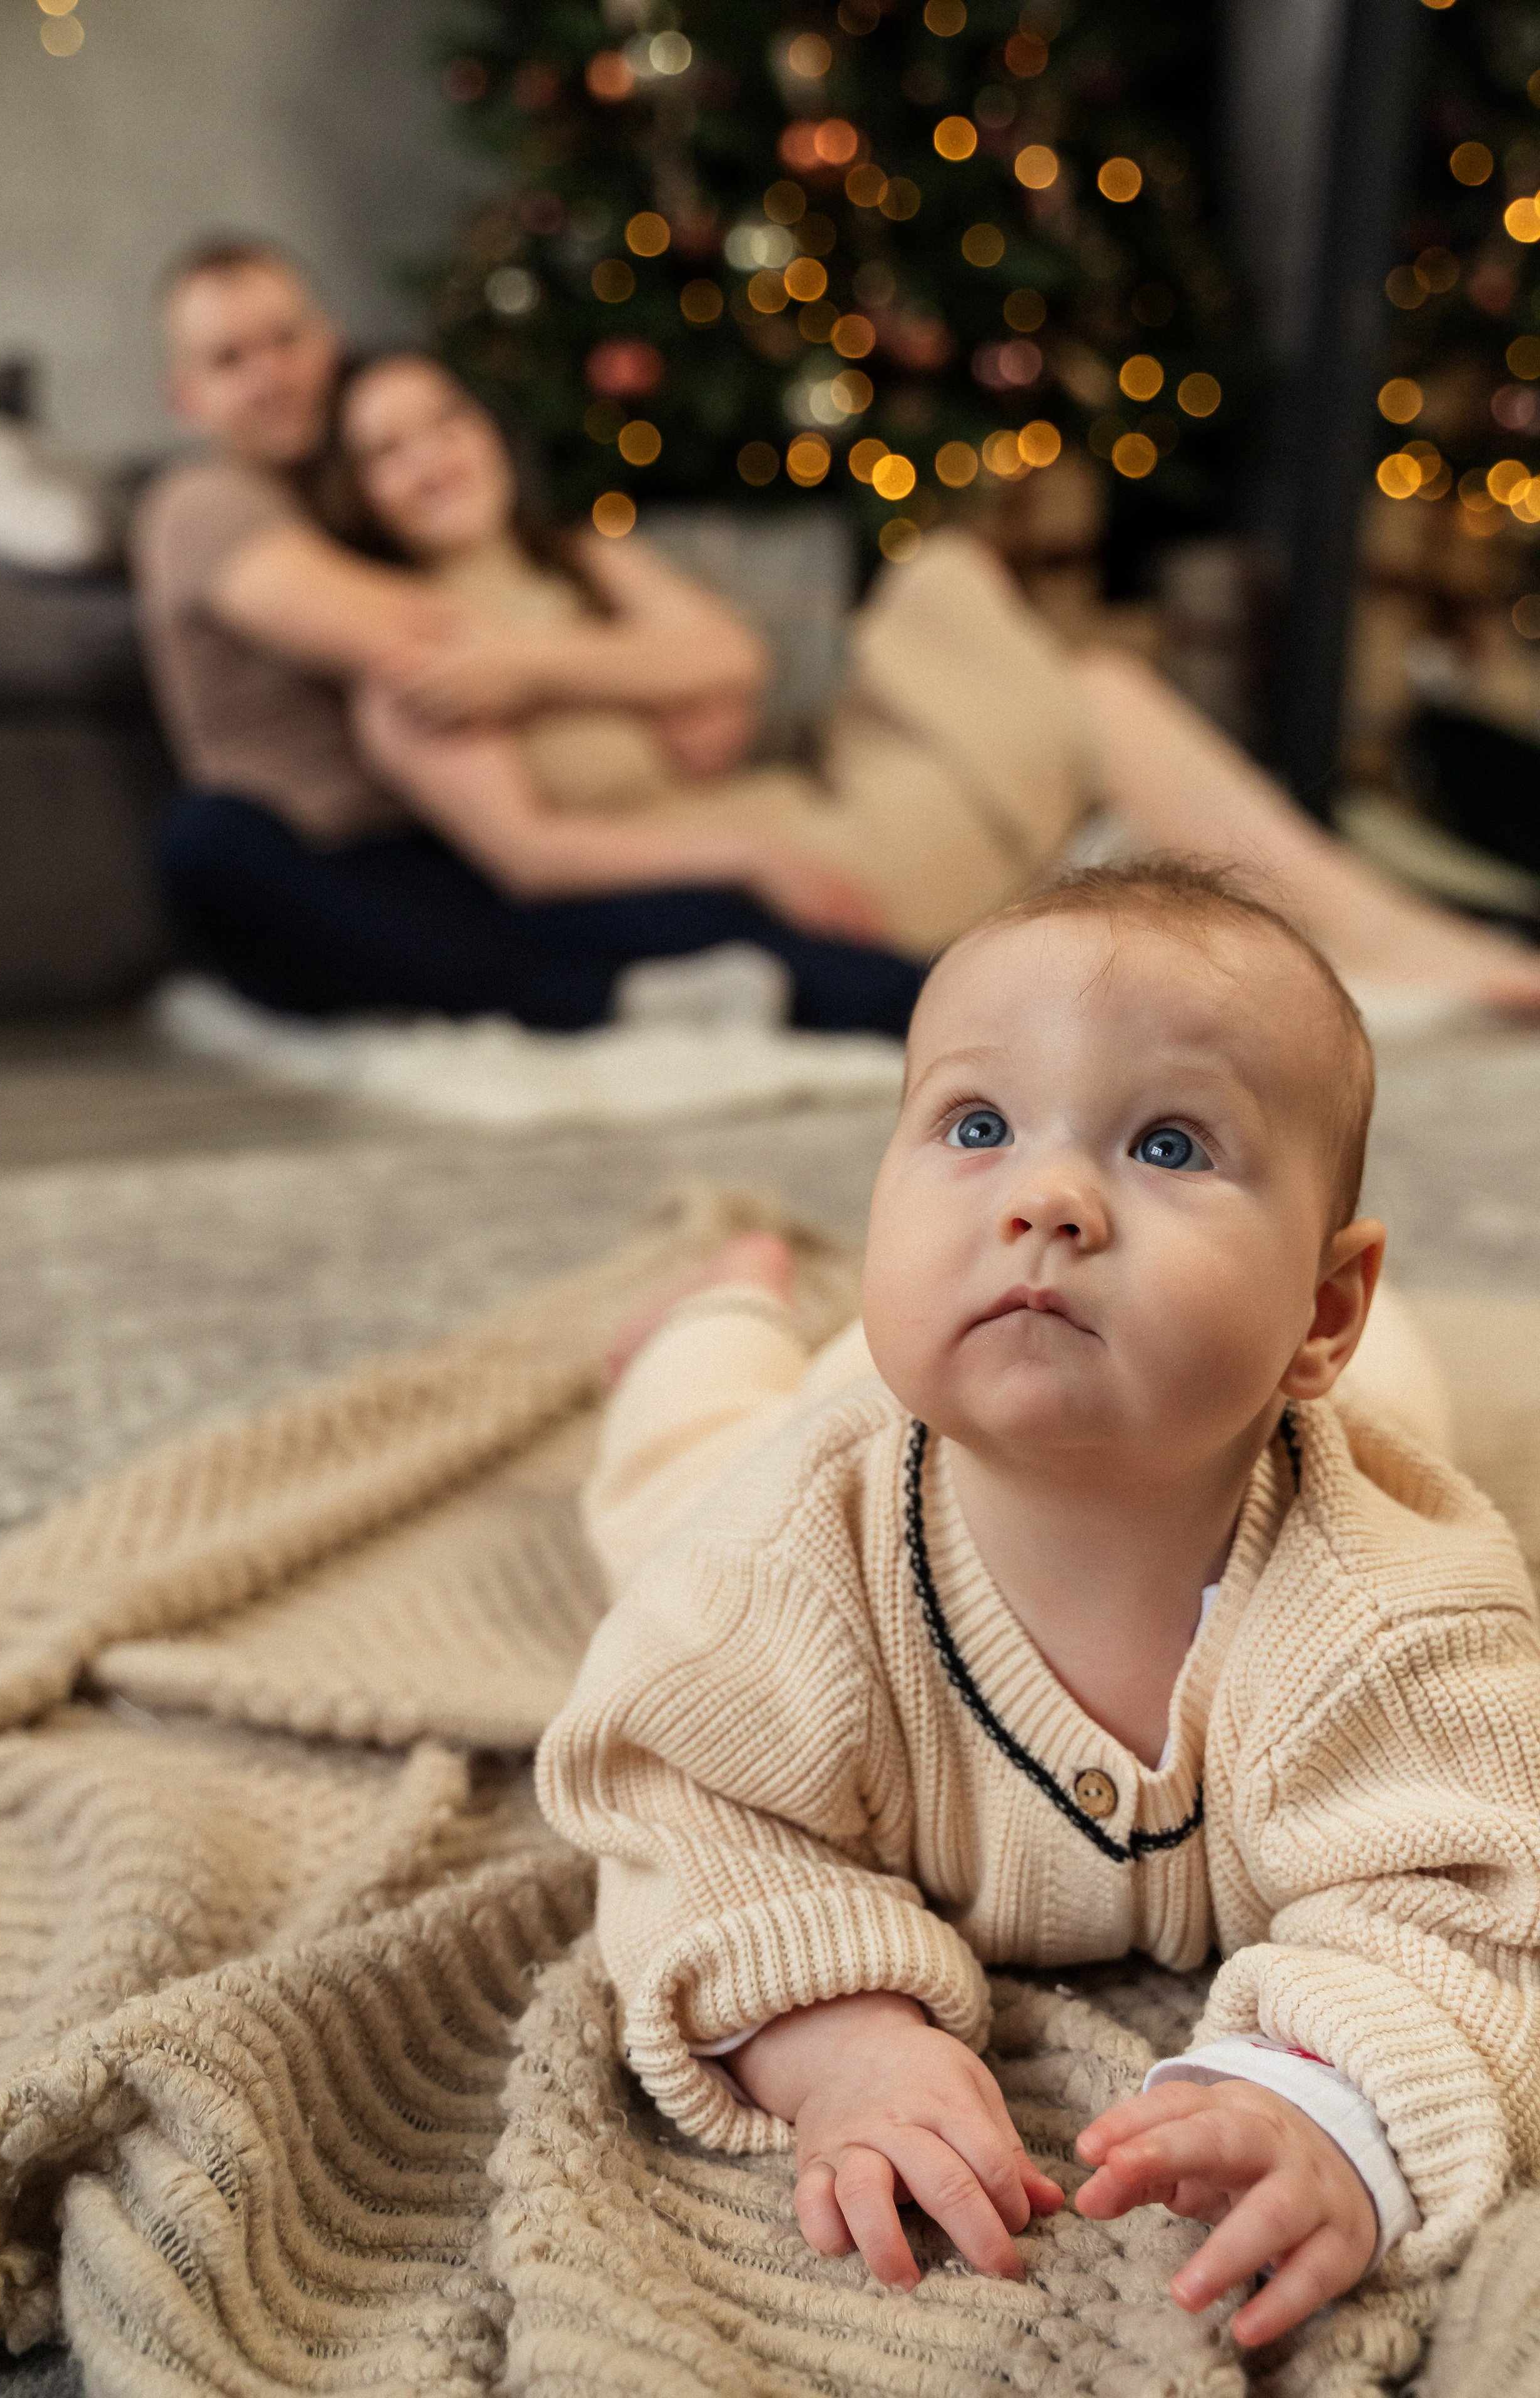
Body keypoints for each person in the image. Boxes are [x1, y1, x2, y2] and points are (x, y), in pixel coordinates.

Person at [537, 857, 1540, 2348]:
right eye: (974, 1126)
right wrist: (835, 2039)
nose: (1044, 1200)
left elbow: (1476, 1899)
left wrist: (1326, 2098)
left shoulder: (1395, 1619)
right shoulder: (780, 1558)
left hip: (1284, 1408)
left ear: (1317, 1308)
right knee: (672, 1474)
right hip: (852, 1428)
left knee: (1403, 1401)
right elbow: (686, 1810)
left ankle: (1327, 1332)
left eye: (1166, 1142)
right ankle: (718, 1309)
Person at [330, 345, 1540, 1012]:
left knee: (942, 584)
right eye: (388, 450)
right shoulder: (404, 652)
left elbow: (732, 657)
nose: (431, 458)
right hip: (792, 848)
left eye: (442, 421)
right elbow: (529, 854)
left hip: (814, 783)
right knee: (1099, 701)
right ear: (359, 498)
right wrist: (741, 847)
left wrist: (531, 669)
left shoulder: (578, 562)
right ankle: (1387, 932)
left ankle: (1384, 930)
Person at [130, 237, 922, 1035]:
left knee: (690, 916)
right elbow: (436, 647)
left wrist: (683, 681)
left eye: (286, 339)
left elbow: (699, 654)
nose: (271, 376)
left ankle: (913, 1007)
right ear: (186, 396)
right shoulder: (204, 502)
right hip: (327, 857)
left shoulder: (369, 508)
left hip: (450, 840)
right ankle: (589, 1000)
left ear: (328, 341)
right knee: (210, 837)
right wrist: (659, 673)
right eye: (231, 360)